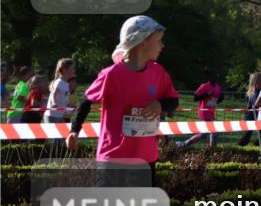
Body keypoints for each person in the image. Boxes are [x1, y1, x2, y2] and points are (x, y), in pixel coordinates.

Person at [66, 16, 179, 186]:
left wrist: (161, 105)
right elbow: (86, 100)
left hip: (146, 158)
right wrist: (74, 130)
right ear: (142, 42)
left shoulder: (158, 72)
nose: (162, 46)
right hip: (113, 158)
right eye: (159, 41)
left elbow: (173, 100)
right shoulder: (111, 74)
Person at [178, 69, 225, 148]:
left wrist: (221, 98)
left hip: (211, 112)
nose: (216, 77)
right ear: (209, 77)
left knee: (206, 133)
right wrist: (206, 95)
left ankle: (183, 144)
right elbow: (195, 98)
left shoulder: (218, 87)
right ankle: (212, 150)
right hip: (204, 112)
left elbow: (217, 100)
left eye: (217, 75)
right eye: (213, 75)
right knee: (213, 131)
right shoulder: (204, 86)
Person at [237, 73, 261, 147]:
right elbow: (256, 104)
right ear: (257, 82)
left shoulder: (257, 92)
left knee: (258, 135)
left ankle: (254, 146)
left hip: (255, 116)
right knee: (248, 136)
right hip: (251, 117)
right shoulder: (254, 94)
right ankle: (244, 146)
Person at [46, 58, 76, 123]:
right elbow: (54, 93)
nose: (74, 70)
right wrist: (54, 102)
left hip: (60, 115)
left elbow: (64, 99)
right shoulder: (59, 82)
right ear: (64, 70)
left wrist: (70, 107)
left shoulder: (67, 84)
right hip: (52, 116)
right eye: (72, 68)